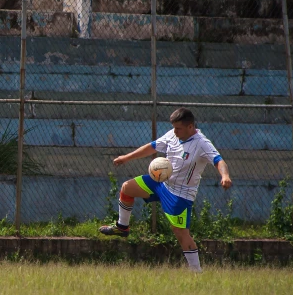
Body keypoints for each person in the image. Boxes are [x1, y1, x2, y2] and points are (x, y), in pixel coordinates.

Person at [100, 108, 233, 272]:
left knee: (181, 233)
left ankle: (196, 272)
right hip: (160, 183)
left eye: (179, 128)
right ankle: (122, 227)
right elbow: (152, 147)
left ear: (190, 127)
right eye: (174, 128)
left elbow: (219, 161)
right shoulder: (173, 134)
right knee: (127, 188)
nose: (175, 131)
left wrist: (225, 176)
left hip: (180, 195)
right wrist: (126, 158)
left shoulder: (202, 144)